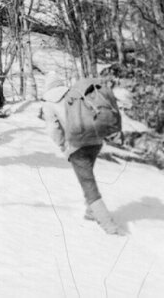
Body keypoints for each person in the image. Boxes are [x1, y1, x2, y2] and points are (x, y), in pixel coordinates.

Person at [41, 73, 121, 234]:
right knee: (87, 174)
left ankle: (109, 226)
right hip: (95, 141)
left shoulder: (48, 104)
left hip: (76, 145)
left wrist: (63, 146)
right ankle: (91, 211)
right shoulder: (75, 94)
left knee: (88, 184)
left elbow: (53, 129)